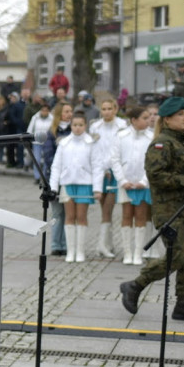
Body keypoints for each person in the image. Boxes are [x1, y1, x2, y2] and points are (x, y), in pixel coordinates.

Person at [120, 97, 184, 322]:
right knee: (176, 256)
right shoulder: (160, 144)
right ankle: (135, 285)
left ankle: (183, 305)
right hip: (169, 211)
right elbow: (156, 176)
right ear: (167, 119)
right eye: (181, 114)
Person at [49, 111, 103, 263]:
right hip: (67, 184)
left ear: (85, 126)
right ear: (70, 126)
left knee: (81, 217)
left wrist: (97, 188)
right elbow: (56, 167)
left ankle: (80, 251)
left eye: (80, 125)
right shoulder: (64, 143)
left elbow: (97, 166)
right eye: (74, 125)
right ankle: (70, 251)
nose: (77, 128)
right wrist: (53, 188)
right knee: (69, 217)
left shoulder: (91, 143)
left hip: (85, 184)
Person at [110, 106, 154, 265]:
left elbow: (153, 162)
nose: (149, 120)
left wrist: (144, 181)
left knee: (141, 216)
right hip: (126, 183)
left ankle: (138, 253)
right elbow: (115, 160)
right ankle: (127, 253)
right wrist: (122, 181)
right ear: (134, 120)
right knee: (127, 215)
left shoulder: (151, 137)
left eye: (149, 117)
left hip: (143, 184)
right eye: (145, 118)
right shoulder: (121, 136)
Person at [89, 98, 129, 258]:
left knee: (108, 209)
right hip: (100, 171)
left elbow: (120, 150)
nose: (106, 112)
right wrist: (101, 169)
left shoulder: (122, 126)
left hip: (115, 171)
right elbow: (95, 151)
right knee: (104, 210)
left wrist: (112, 167)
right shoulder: (95, 127)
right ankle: (108, 243)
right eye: (103, 109)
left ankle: (101, 245)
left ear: (115, 109)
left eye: (109, 109)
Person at [42, 101, 74, 256]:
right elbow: (48, 155)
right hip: (55, 176)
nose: (69, 114)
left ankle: (67, 244)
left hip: (70, 177)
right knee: (57, 213)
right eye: (66, 111)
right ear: (59, 114)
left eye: (70, 111)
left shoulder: (74, 130)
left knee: (69, 213)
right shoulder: (52, 132)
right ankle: (56, 244)